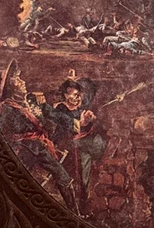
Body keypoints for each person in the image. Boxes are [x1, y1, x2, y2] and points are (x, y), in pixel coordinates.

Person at [0, 61, 76, 209]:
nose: (22, 82)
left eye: (20, 78)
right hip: (22, 150)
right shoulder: (6, 109)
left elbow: (52, 113)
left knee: (62, 176)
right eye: (17, 79)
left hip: (39, 147)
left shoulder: (32, 99)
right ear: (10, 86)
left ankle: (74, 212)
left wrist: (74, 123)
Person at [42, 68, 106, 210]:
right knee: (77, 176)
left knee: (86, 174)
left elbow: (92, 89)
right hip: (68, 149)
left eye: (79, 95)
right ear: (65, 96)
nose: (78, 98)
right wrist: (82, 122)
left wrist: (88, 119)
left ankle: (84, 202)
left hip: (83, 146)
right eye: (75, 95)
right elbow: (65, 124)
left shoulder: (80, 107)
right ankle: (77, 205)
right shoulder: (60, 109)